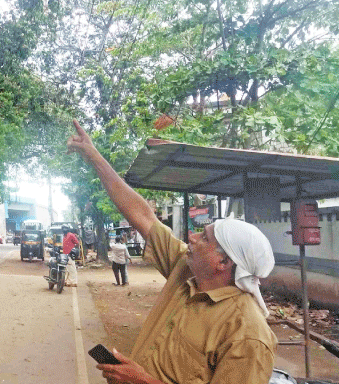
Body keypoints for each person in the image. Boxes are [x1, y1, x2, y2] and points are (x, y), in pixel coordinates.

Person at [67, 120, 277, 384]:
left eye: (204, 237)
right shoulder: (185, 269)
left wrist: (143, 380)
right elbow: (142, 215)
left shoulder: (248, 333)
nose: (192, 237)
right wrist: (94, 156)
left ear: (222, 261)